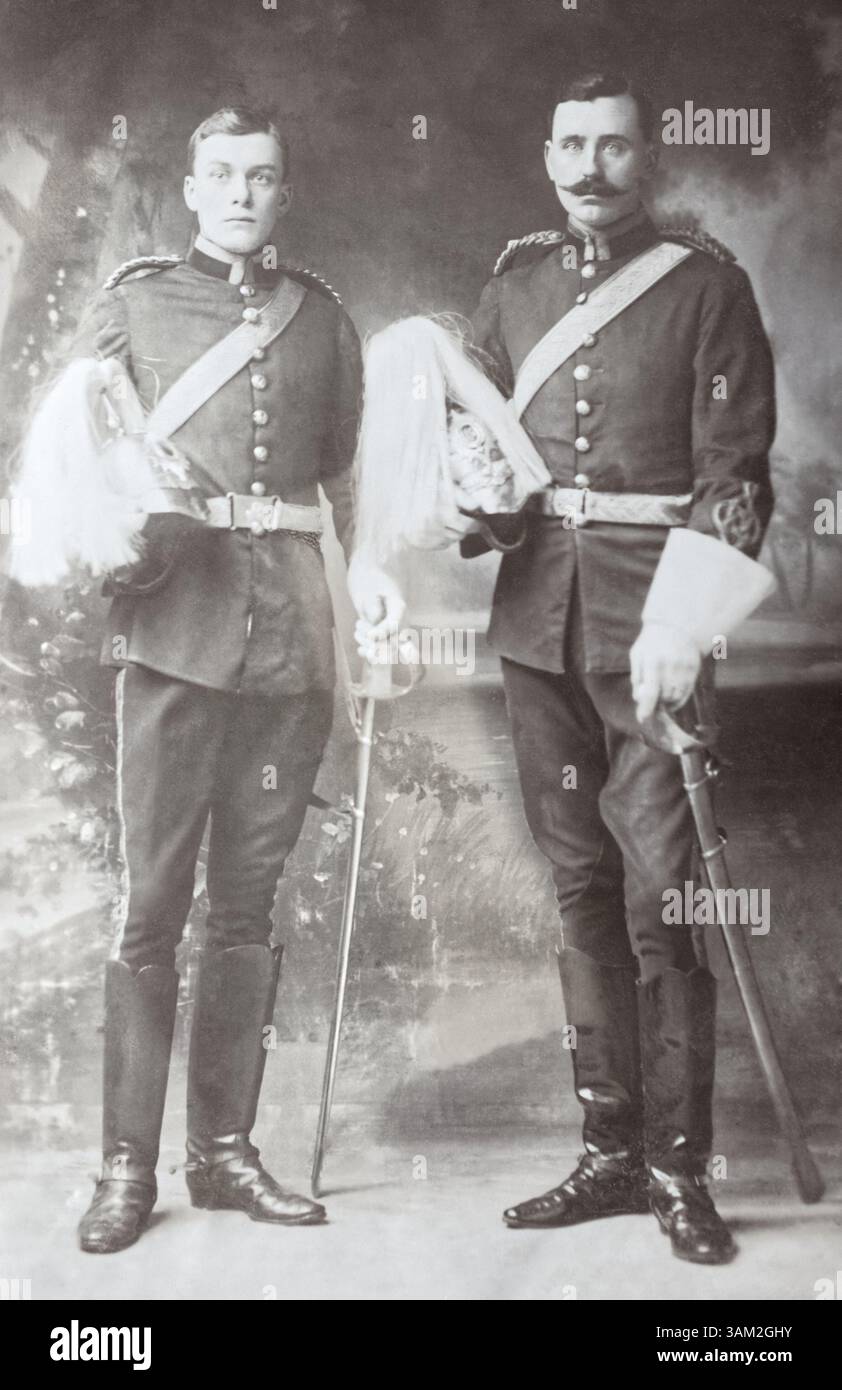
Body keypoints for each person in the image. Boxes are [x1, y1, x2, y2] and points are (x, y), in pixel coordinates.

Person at [356, 67, 775, 1265]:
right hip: (535, 626)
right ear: (548, 157)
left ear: (648, 158)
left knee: (661, 899)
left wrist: (681, 626)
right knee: (580, 885)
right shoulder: (514, 285)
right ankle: (605, 1151)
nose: (590, 166)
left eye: (613, 146)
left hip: (654, 634)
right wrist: (465, 510)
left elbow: (735, 478)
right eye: (571, 145)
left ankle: (679, 1168)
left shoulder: (706, 290)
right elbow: (478, 464)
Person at [54, 105, 400, 1253]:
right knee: (152, 910)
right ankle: (124, 1167)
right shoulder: (135, 306)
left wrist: (353, 604)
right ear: (192, 190)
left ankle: (224, 1152)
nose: (242, 193)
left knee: (247, 912)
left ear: (282, 193)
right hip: (172, 640)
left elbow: (340, 493)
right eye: (220, 174)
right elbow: (84, 462)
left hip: (289, 651)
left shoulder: (325, 322)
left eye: (262, 175)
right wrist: (127, 544)